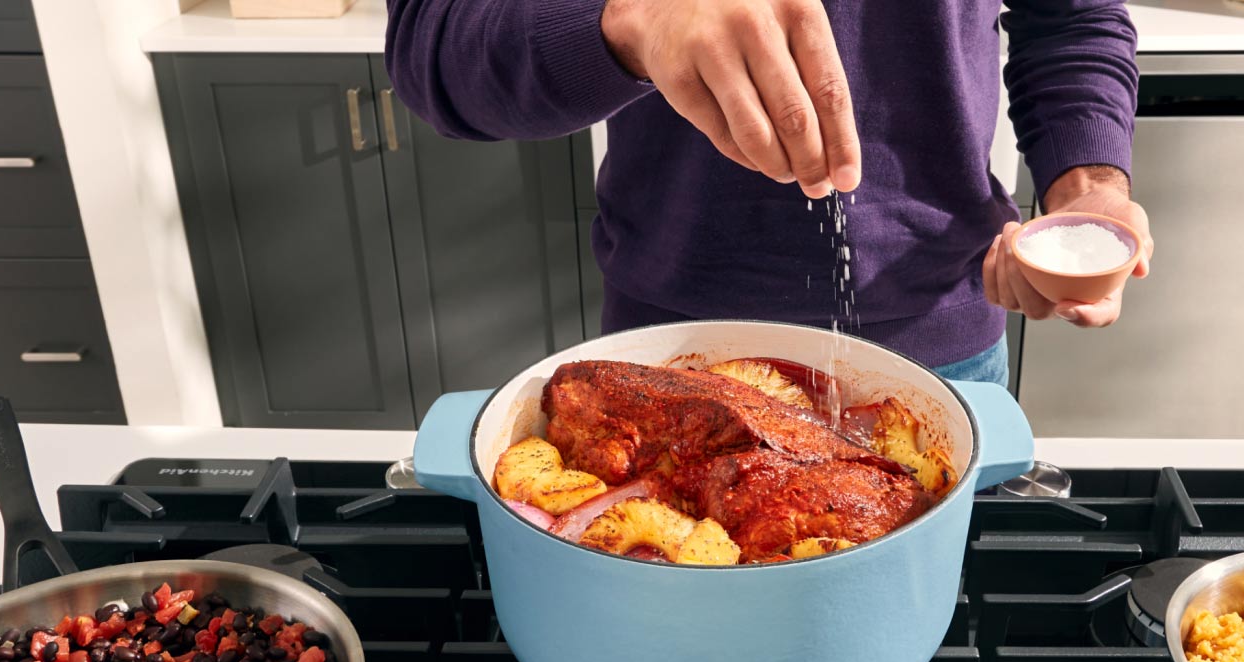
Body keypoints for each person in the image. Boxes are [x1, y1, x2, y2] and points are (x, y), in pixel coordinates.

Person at [385, 0, 1150, 386]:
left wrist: (1088, 187)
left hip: (944, 351)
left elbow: (1071, 19)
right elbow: (435, 41)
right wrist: (631, 21)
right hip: (673, 363)